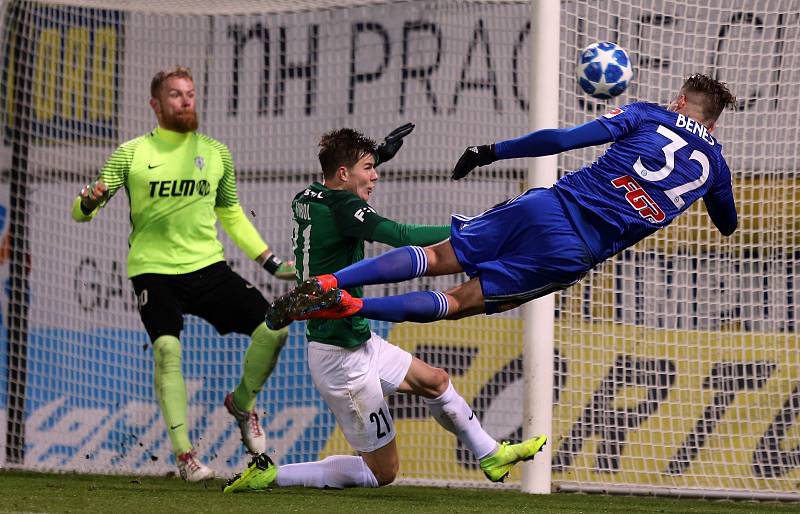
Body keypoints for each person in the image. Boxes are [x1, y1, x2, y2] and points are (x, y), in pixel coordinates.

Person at [223, 127, 547, 493]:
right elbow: (403, 236)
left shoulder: (307, 196)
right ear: (344, 174)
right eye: (368, 168)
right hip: (341, 358)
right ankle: (272, 475)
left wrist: (375, 154)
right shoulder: (346, 206)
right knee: (382, 472)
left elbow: (338, 179)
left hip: (355, 338)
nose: (375, 175)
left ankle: (489, 453)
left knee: (436, 381)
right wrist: (482, 234)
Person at [277, 73, 738, 325]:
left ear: (680, 100)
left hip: (550, 205)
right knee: (458, 302)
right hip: (572, 251)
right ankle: (355, 306)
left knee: (435, 257)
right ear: (713, 123)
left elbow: (562, 139)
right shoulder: (715, 167)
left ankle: (331, 281)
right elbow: (727, 224)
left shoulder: (645, 115)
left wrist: (491, 151)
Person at [71, 66, 296, 481]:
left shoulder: (216, 153)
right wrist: (88, 200)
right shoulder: (132, 153)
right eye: (175, 94)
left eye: (190, 93)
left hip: (207, 267)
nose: (186, 100)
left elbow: (231, 213)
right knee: (167, 351)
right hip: (152, 270)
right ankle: (185, 454)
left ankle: (242, 404)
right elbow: (83, 210)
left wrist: (271, 262)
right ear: (155, 104)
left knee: (274, 329)